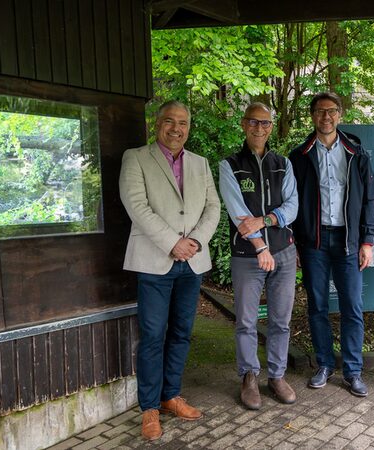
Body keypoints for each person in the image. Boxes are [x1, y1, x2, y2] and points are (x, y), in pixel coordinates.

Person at [119, 100, 221, 440]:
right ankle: (149, 408)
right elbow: (137, 206)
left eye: (183, 123)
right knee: (152, 336)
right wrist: (171, 243)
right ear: (156, 123)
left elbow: (213, 207)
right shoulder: (136, 158)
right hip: (154, 261)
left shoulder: (200, 163)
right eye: (169, 121)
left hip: (192, 262)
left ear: (189, 127)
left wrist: (194, 242)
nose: (176, 128)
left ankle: (170, 395)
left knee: (181, 332)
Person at [288, 92, 374, 397]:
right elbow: (291, 201)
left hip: (348, 240)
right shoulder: (299, 156)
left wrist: (367, 240)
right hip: (313, 242)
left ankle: (353, 371)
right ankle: (324, 364)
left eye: (331, 111)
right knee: (317, 306)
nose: (326, 117)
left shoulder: (356, 153)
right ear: (312, 116)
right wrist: (296, 242)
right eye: (319, 112)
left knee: (353, 306)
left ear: (339, 114)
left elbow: (369, 199)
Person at [218, 102, 299, 410]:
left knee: (281, 320)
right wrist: (259, 247)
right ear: (244, 124)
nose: (259, 128)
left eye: (265, 123)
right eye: (254, 122)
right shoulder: (230, 165)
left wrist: (266, 221)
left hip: (284, 252)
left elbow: (292, 206)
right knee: (246, 322)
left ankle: (276, 376)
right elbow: (237, 210)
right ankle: (249, 376)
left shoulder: (283, 163)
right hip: (247, 256)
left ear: (271, 127)